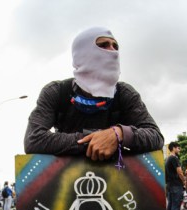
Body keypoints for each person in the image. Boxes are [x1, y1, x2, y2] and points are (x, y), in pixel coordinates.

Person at [24, 27, 163, 159]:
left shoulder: (124, 93)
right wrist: (97, 139)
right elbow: (33, 139)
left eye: (115, 46)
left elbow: (155, 136)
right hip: (65, 179)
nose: (113, 51)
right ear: (82, 53)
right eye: (103, 45)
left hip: (118, 178)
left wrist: (119, 134)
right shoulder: (56, 92)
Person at [165, 142, 187, 210]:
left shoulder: (167, 159)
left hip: (170, 185)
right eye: (178, 148)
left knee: (171, 206)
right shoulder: (174, 158)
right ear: (173, 148)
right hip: (175, 185)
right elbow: (179, 172)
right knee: (176, 206)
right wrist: (184, 180)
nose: (179, 150)